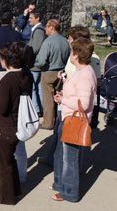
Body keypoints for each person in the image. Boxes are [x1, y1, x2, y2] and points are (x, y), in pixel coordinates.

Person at [0, 42, 33, 206]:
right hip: (18, 124)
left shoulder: (7, 79)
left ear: (7, 60)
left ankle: (5, 197)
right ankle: (15, 190)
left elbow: (2, 108)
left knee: (2, 163)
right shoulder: (26, 75)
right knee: (9, 161)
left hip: (6, 127)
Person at [51, 38, 97, 203]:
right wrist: (65, 95)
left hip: (73, 120)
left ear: (76, 55)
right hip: (70, 118)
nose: (70, 54)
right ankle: (63, 185)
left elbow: (83, 104)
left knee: (70, 159)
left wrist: (62, 100)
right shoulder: (83, 71)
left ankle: (69, 193)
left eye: (71, 51)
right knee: (66, 156)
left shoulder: (84, 74)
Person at [34, 20, 70, 130]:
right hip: (62, 72)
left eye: (46, 27)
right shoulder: (65, 41)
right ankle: (58, 120)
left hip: (49, 72)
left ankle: (48, 123)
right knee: (59, 96)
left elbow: (41, 61)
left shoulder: (48, 42)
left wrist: (34, 63)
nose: (45, 29)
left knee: (48, 100)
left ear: (51, 27)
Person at [28, 11, 47, 116]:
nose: (29, 19)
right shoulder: (38, 29)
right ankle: (41, 108)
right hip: (38, 63)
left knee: (33, 87)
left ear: (38, 18)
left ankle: (36, 110)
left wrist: (27, 54)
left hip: (35, 64)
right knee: (38, 87)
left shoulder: (38, 30)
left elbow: (35, 48)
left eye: (31, 18)